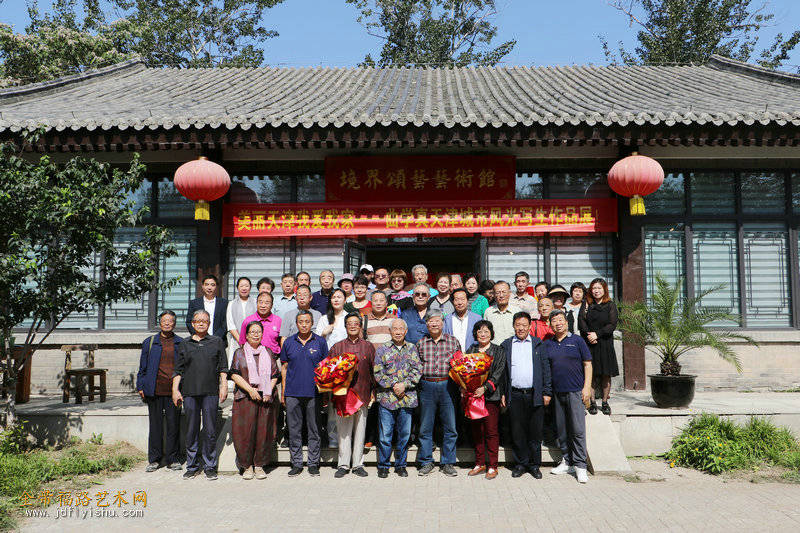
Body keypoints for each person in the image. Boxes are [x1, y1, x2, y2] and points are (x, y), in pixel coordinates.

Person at [173, 309, 228, 480]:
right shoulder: (185, 343)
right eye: (198, 321)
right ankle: (192, 465)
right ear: (193, 323)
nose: (201, 323)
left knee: (210, 430)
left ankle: (210, 466)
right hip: (189, 393)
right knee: (191, 430)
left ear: (209, 323)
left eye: (205, 320)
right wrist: (175, 390)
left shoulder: (217, 342)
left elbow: (223, 368)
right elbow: (178, 370)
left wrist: (224, 386)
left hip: (210, 392)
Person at [500, 311, 552, 479]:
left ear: (530, 326)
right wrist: (502, 393)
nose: (521, 328)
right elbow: (502, 373)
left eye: (524, 325)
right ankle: (521, 464)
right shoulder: (506, 345)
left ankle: (534, 465)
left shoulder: (538, 344)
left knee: (535, 432)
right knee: (518, 431)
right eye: (518, 325)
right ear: (513, 326)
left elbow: (546, 370)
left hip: (534, 394)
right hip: (514, 394)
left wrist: (547, 392)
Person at [544, 309, 592, 484]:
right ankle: (567, 461)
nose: (558, 323)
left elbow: (588, 364)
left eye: (561, 320)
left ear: (566, 322)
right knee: (562, 429)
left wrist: (587, 387)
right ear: (550, 324)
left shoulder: (577, 341)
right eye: (554, 320)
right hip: (557, 393)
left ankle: (580, 465)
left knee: (578, 430)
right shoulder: (548, 344)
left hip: (575, 392)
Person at [228, 321, 279, 480]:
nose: (256, 334)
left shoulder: (268, 352)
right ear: (247, 335)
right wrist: (250, 390)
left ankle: (259, 465)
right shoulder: (239, 353)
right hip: (245, 398)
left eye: (258, 332)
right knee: (245, 432)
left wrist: (268, 391)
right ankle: (247, 466)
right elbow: (234, 374)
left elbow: (275, 375)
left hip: (265, 399)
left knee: (264, 432)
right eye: (252, 332)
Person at [281, 310, 329, 476]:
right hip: (293, 393)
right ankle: (296, 463)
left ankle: (313, 463)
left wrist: (325, 393)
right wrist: (283, 393)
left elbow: (326, 369)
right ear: (296, 323)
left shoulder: (320, 342)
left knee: (314, 428)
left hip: (314, 392)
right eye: (301, 321)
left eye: (307, 321)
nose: (304, 324)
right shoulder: (288, 342)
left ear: (312, 323)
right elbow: (284, 368)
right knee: (294, 429)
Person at [373, 318, 422, 478]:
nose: (398, 331)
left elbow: (417, 371)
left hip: (406, 398)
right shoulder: (382, 349)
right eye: (395, 329)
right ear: (390, 331)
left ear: (406, 331)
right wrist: (395, 385)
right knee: (385, 435)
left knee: (404, 435)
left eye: (401, 328)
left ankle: (401, 465)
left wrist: (405, 385)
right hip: (387, 399)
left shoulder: (412, 348)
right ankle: (384, 465)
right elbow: (378, 373)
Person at [329, 313, 376, 478]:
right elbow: (329, 372)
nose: (353, 326)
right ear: (345, 325)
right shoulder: (337, 347)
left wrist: (373, 392)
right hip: (343, 396)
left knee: (360, 430)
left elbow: (373, 371)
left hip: (362, 394)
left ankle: (357, 464)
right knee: (344, 431)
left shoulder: (368, 346)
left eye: (356, 323)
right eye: (350, 323)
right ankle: (343, 464)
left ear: (360, 325)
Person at [416, 309, 461, 477]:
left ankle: (448, 462)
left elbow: (460, 366)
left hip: (447, 386)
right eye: (430, 321)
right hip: (427, 386)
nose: (434, 324)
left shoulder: (453, 342)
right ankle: (426, 461)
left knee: (450, 426)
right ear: (426, 324)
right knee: (426, 427)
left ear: (443, 323)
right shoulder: (421, 343)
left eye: (437, 321)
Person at [137, 310, 183, 472]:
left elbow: (184, 368)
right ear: (160, 322)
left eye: (170, 320)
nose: (167, 323)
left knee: (173, 426)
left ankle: (173, 459)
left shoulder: (180, 343)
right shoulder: (149, 342)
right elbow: (142, 368)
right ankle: (155, 460)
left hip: (174, 392)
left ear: (174, 323)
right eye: (164, 320)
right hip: (154, 391)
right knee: (155, 426)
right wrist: (141, 386)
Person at [464, 320, 506, 480]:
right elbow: (465, 371)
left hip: (490, 397)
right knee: (477, 431)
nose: (483, 334)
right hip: (474, 396)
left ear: (491, 333)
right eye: (480, 331)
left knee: (491, 431)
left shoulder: (498, 351)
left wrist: (485, 387)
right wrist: (466, 386)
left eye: (486, 331)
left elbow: (499, 373)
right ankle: (480, 462)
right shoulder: (471, 349)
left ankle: (493, 465)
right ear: (475, 334)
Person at [579, 278, 619, 416]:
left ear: (604, 290)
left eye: (599, 288)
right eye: (594, 288)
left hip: (605, 343)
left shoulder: (610, 305)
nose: (596, 291)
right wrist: (589, 335)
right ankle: (592, 403)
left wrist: (598, 334)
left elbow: (612, 324)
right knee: (592, 375)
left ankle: (605, 402)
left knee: (605, 375)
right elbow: (581, 322)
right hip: (589, 343)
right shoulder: (586, 304)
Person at [315, 288, 348, 448]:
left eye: (339, 297)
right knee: (331, 404)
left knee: (345, 402)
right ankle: (333, 438)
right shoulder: (323, 319)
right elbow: (316, 342)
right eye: (333, 297)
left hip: (346, 366)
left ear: (345, 300)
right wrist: (323, 333)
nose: (336, 300)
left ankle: (346, 438)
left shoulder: (349, 318)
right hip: (328, 366)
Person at [187, 275, 229, 343]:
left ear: (216, 287)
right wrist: (198, 335)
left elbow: (225, 323)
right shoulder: (194, 303)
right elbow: (189, 322)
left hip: (219, 341)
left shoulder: (224, 303)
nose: (209, 288)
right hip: (199, 340)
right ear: (202, 286)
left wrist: (216, 338)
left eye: (212, 285)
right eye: (207, 285)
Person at [226, 277, 257, 366]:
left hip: (254, 341)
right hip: (237, 342)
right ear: (237, 288)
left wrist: (251, 340)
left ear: (250, 287)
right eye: (241, 286)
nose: (244, 288)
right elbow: (231, 325)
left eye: (246, 286)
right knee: (237, 365)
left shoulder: (255, 302)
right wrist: (241, 341)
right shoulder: (231, 304)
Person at [483, 281, 519, 345]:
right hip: (494, 350)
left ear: (509, 293)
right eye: (498, 293)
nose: (501, 295)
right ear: (493, 295)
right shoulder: (488, 312)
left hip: (513, 348)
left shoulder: (517, 311)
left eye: (504, 292)